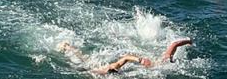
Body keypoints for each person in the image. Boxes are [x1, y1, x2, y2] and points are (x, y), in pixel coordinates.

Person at [58, 39, 193, 74]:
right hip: (92, 69)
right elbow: (126, 58)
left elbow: (175, 44)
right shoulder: (107, 70)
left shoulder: (163, 61)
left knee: (84, 60)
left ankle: (67, 47)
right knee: (82, 60)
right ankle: (67, 47)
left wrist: (189, 42)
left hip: (97, 69)